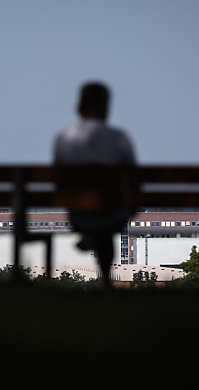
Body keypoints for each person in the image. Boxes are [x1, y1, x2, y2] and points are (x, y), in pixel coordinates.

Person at [54, 82, 136, 286]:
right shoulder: (119, 138)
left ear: (79, 109)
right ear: (107, 108)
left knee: (95, 213)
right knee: (108, 216)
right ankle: (106, 280)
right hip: (112, 213)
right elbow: (133, 178)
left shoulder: (64, 139)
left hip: (79, 214)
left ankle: (90, 235)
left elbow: (59, 182)